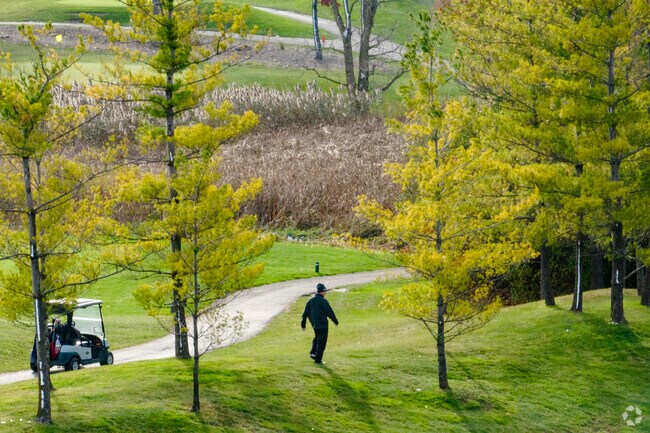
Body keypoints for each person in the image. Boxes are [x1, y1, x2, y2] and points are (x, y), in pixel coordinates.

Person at [301, 283, 339, 364]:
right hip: (323, 325)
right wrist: (335, 321)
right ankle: (318, 359)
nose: (325, 293)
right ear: (322, 291)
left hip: (315, 325)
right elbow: (329, 312)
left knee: (317, 337)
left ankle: (313, 352)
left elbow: (305, 313)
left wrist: (303, 324)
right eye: (325, 291)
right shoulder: (323, 301)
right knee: (322, 342)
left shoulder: (310, 301)